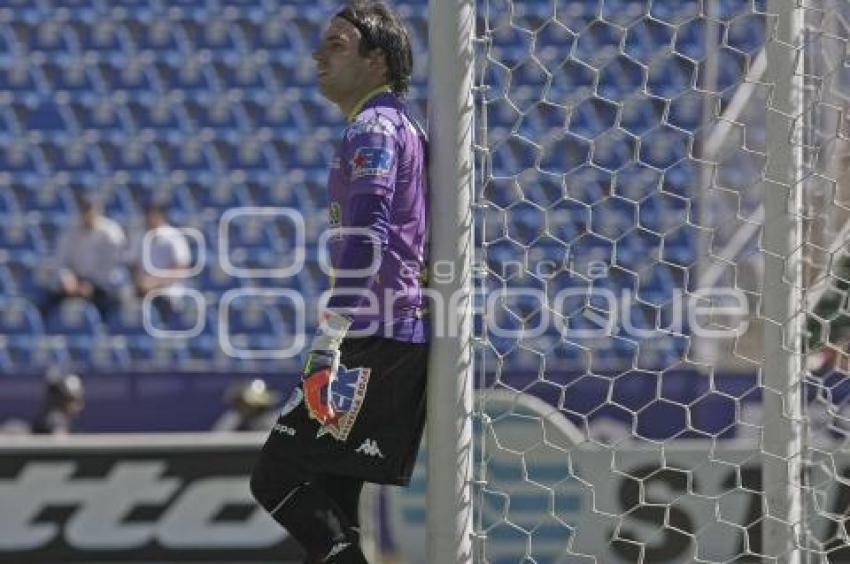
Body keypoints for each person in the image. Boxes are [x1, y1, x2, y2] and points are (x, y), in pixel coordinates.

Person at [250, 2, 429, 562]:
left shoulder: (374, 129)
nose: (317, 54)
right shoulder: (401, 127)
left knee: (276, 477)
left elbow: (368, 233)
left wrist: (333, 332)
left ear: (377, 61)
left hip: (374, 340)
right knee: (330, 499)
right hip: (390, 334)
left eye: (336, 44)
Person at [40, 196, 127, 321]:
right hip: (74, 282)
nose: (87, 215)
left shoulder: (111, 234)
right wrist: (66, 277)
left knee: (115, 302)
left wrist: (91, 285)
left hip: (101, 285)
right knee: (46, 302)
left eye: (90, 211)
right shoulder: (69, 230)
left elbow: (112, 267)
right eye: (83, 211)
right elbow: (60, 261)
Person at [128, 202, 191, 323]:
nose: (149, 219)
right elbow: (133, 264)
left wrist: (155, 282)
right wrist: (141, 281)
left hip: (167, 291)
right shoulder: (139, 236)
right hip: (142, 289)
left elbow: (181, 268)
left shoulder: (174, 236)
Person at [213, 378, 281, 432]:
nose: (244, 407)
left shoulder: (272, 420)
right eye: (241, 403)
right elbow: (217, 439)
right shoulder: (233, 418)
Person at [30, 369, 85, 435]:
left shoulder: (63, 420)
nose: (79, 405)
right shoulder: (55, 420)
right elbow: (60, 442)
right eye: (71, 399)